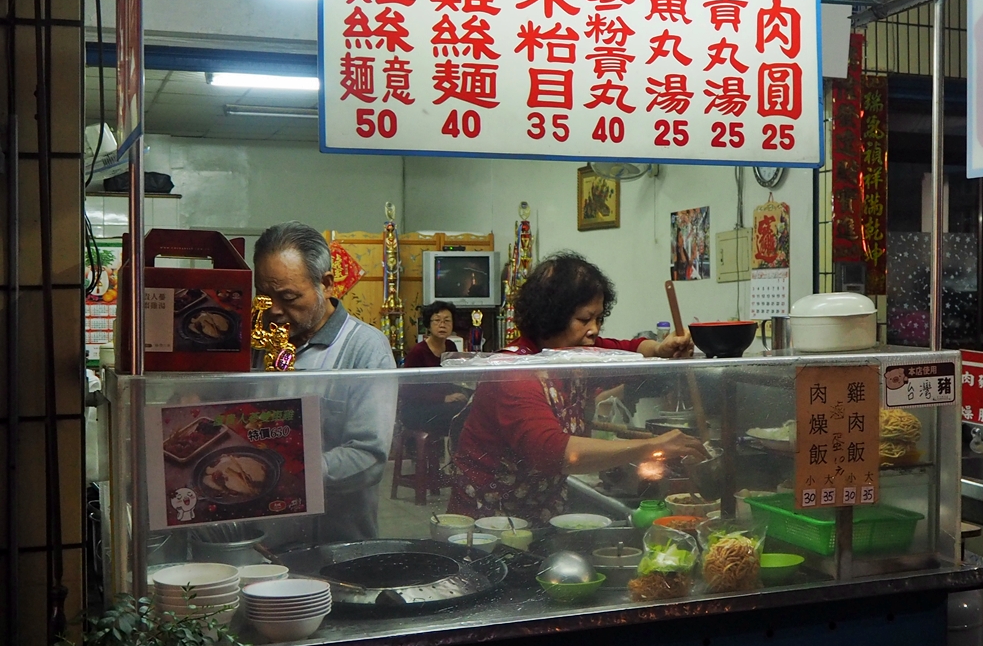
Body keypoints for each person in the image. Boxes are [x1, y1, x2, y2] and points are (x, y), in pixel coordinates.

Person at [448, 252, 702, 521]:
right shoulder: (514, 372)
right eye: (584, 319)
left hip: (539, 507)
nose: (594, 330)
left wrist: (662, 348)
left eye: (599, 319)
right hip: (486, 516)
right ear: (552, 316)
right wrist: (653, 446)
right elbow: (554, 452)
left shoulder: (574, 352)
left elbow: (628, 350)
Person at [254, 222, 397, 542]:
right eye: (264, 296)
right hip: (262, 537)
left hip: (332, 539)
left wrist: (289, 473)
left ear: (327, 284)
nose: (274, 310)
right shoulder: (258, 342)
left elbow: (369, 457)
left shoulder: (364, 349)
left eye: (289, 296)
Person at [401, 300, 469, 434]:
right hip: (417, 409)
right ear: (428, 325)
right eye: (437, 320)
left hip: (442, 405)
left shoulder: (450, 347)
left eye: (447, 321)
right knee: (458, 413)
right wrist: (444, 398)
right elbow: (408, 391)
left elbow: (454, 378)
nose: (442, 325)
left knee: (471, 407)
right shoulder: (418, 352)